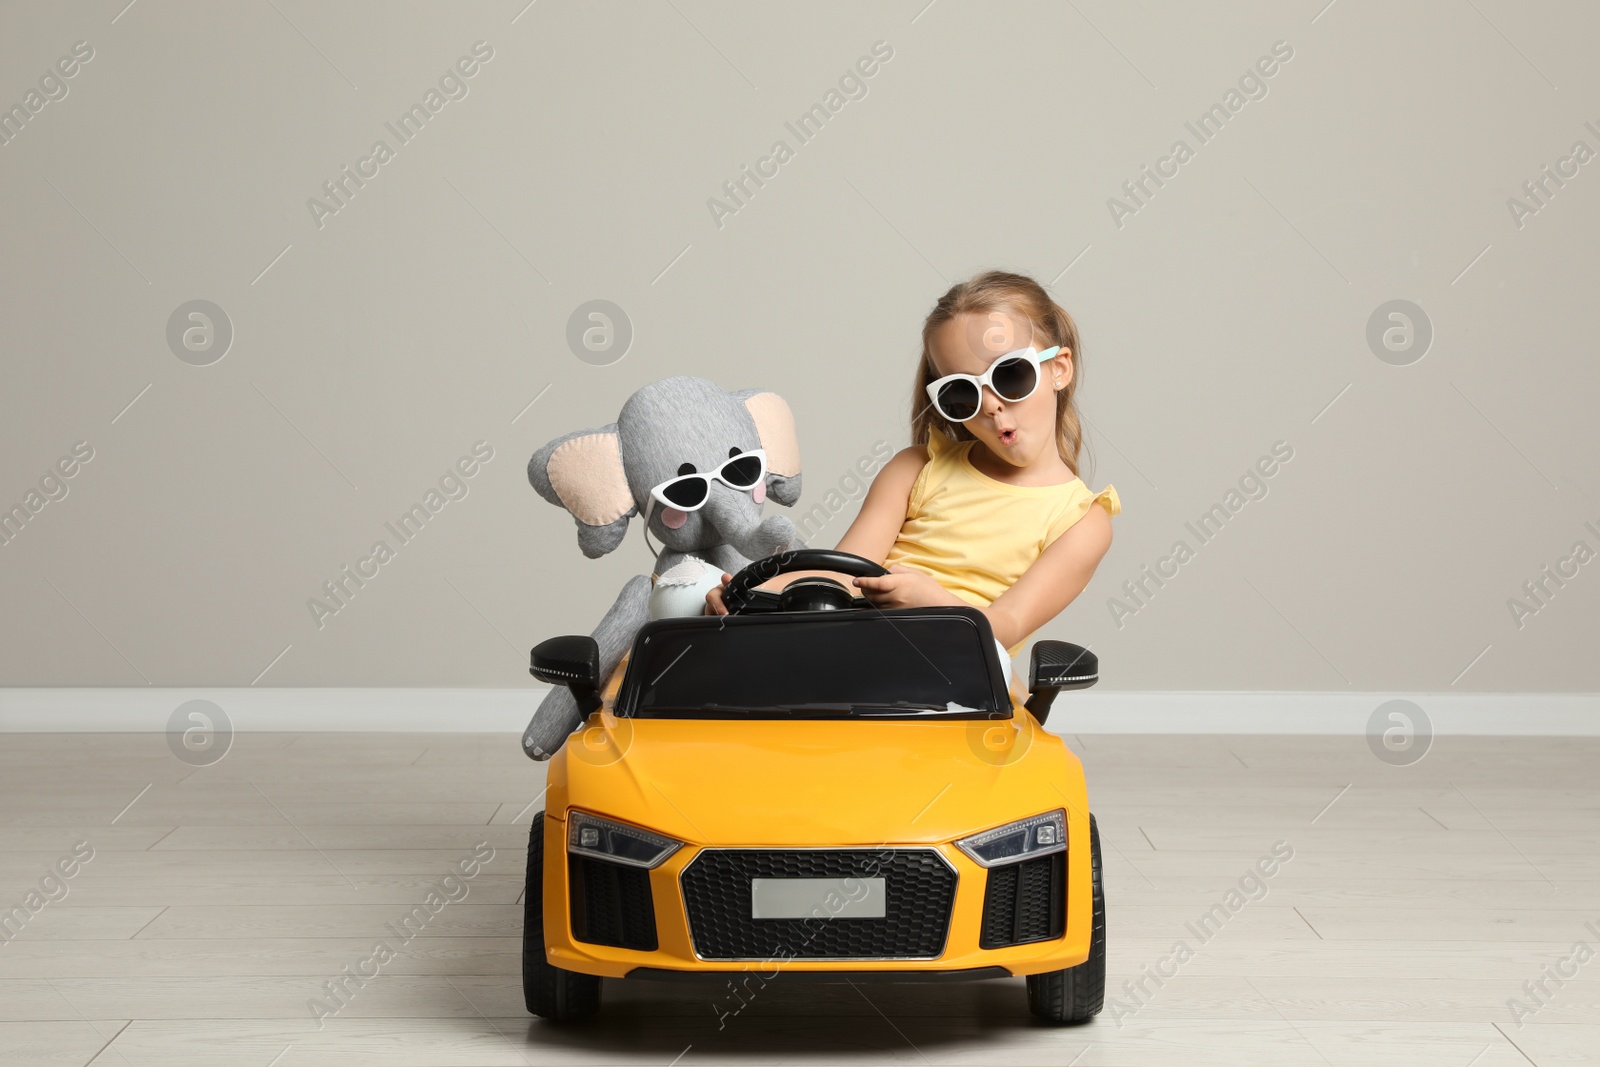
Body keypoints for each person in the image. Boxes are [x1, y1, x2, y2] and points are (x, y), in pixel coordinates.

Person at [707, 269, 1120, 700]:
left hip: (957, 668)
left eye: (1010, 375)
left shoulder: (1082, 522)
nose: (992, 405)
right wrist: (746, 591)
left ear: (1058, 368)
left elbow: (1008, 623)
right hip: (855, 650)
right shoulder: (916, 468)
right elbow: (839, 571)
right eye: (963, 394)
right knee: (692, 595)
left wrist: (932, 602)